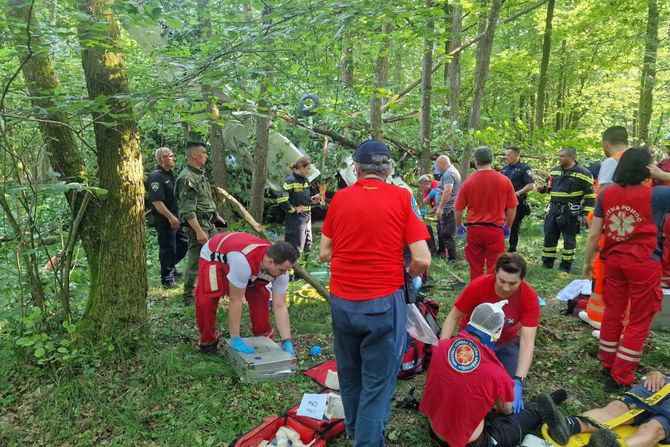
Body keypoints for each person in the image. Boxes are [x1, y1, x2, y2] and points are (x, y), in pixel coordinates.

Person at [319, 139, 431, 447]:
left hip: (343, 301)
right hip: (383, 301)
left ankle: (356, 431)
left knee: (351, 374)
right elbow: (422, 259)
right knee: (378, 383)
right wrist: (404, 274)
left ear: (356, 169)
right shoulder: (402, 197)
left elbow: (324, 253)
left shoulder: (340, 199)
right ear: (389, 169)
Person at [421, 301, 570, 447]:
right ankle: (549, 401)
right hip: (471, 442)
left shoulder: (441, 346)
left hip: (434, 431)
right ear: (497, 333)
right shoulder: (497, 371)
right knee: (524, 416)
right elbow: (506, 410)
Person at [583, 148, 670, 391]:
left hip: (613, 261)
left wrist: (588, 261)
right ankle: (620, 377)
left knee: (613, 314)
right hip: (644, 263)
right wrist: (664, 176)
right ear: (647, 169)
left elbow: (593, 233)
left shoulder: (607, 194)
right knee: (639, 321)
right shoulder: (658, 195)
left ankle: (608, 364)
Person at [440, 253, 540, 409]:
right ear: (495, 274)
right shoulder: (478, 286)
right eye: (502, 281)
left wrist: (519, 380)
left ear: (522, 280)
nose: (506, 288)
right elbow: (453, 317)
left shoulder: (529, 296)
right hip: (474, 341)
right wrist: (443, 347)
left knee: (508, 402)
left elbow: (527, 340)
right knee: (464, 385)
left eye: (513, 283)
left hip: (506, 343)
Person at [195, 232, 299, 355]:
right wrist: (235, 338)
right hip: (214, 255)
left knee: (260, 296)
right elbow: (235, 300)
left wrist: (286, 340)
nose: (283, 274)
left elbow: (280, 305)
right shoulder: (242, 262)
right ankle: (208, 342)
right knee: (206, 300)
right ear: (271, 262)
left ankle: (263, 336)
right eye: (282, 270)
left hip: (248, 261)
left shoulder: (280, 269)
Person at [548, 371, 669, 447]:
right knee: (617, 407)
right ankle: (567, 425)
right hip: (664, 383)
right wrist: (657, 373)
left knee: (654, 427)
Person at [584, 127, 629, 331]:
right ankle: (614, 320)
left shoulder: (611, 163)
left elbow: (605, 199)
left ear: (605, 142)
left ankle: (604, 322)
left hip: (611, 229)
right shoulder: (643, 163)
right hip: (632, 226)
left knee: (603, 273)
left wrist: (594, 220)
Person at [454, 147, 518, 280]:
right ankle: (492, 294)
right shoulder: (504, 181)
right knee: (495, 266)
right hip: (495, 231)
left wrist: (459, 225)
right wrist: (507, 226)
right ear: (492, 160)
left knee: (475, 265)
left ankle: (477, 294)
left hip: (474, 230)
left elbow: (458, 209)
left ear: (476, 162)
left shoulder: (468, 182)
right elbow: (511, 209)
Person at [176, 141, 227, 306]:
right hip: (198, 224)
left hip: (209, 222)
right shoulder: (187, 178)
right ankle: (189, 296)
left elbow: (205, 200)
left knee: (216, 256)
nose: (206, 155)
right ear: (194, 155)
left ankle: (214, 289)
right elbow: (187, 209)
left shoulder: (199, 174)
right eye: (204, 152)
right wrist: (198, 231)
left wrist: (216, 216)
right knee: (195, 259)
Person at [540, 147, 595, 273]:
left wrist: (587, 214)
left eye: (562, 156)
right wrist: (542, 189)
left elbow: (590, 197)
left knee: (569, 239)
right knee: (549, 236)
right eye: (559, 156)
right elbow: (549, 188)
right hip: (553, 210)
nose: (559, 158)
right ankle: (547, 263)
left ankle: (565, 266)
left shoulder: (584, 173)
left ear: (571, 157)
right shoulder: (554, 171)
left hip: (570, 212)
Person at [147, 147, 188, 289]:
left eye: (172, 155)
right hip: (165, 220)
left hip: (177, 218)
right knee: (168, 248)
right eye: (170, 156)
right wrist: (170, 217)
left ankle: (170, 266)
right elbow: (157, 202)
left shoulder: (170, 174)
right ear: (161, 159)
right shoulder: (155, 176)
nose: (173, 158)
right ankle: (167, 278)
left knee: (183, 244)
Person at [277, 156, 320, 266]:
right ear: (301, 167)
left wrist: (313, 199)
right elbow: (281, 198)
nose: (309, 171)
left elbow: (304, 198)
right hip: (296, 219)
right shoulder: (290, 180)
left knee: (308, 243)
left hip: (307, 217)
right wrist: (293, 209)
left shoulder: (305, 181)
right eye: (308, 168)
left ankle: (301, 272)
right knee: (296, 245)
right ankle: (291, 272)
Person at [500, 146, 534, 253]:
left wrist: (517, 193)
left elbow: (531, 185)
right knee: (499, 224)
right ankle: (499, 247)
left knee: (514, 226)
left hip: (517, 204)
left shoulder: (525, 169)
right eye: (506, 155)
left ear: (516, 155)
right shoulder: (504, 169)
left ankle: (512, 249)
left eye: (509, 155)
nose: (506, 157)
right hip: (502, 203)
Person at [435, 155, 462, 261]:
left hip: (448, 209)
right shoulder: (449, 171)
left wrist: (441, 207)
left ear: (443, 162)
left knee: (446, 234)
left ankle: (452, 259)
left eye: (438, 165)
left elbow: (447, 191)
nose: (437, 167)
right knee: (442, 232)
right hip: (447, 208)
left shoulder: (449, 173)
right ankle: (442, 254)